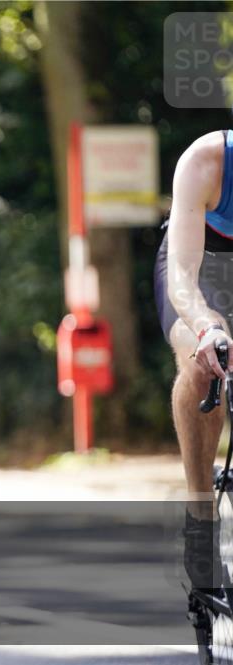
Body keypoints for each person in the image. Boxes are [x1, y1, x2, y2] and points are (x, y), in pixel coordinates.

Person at [155, 129, 233, 591]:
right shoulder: (207, 159)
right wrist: (207, 327)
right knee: (204, 360)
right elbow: (182, 276)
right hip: (199, 272)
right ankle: (201, 516)